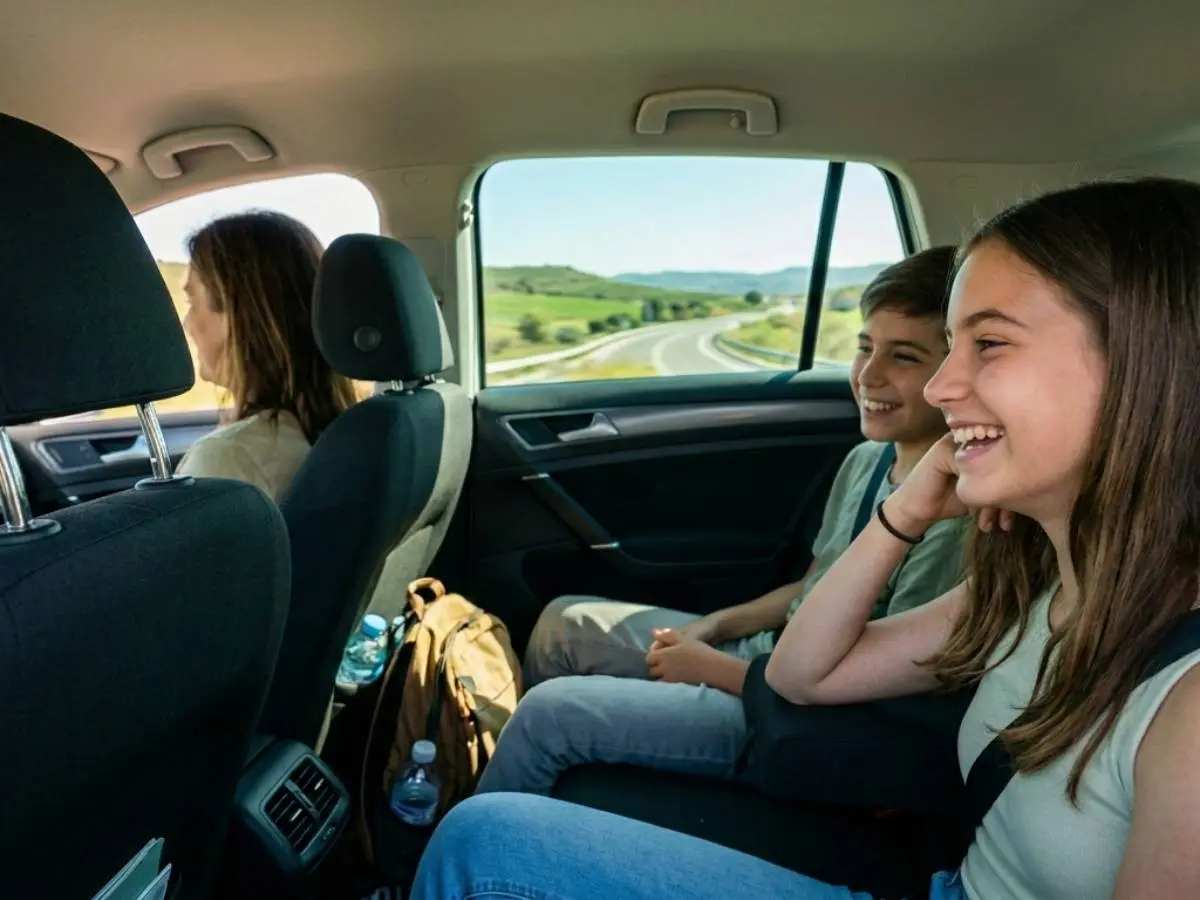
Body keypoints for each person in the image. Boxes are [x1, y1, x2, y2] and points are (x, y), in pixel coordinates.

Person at [409, 177, 1200, 900]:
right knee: (483, 836)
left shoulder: (1185, 707)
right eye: (950, 345)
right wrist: (907, 510)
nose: (939, 388)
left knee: (483, 844)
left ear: (1146, 367)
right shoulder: (1033, 590)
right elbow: (802, 674)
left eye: (987, 344)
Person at [473, 247, 969, 796]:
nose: (868, 374)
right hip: (766, 660)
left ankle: (478, 835)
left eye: (903, 357)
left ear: (956, 376)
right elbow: (813, 588)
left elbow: (880, 691)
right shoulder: (867, 459)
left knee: (548, 715)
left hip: (793, 717)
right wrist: (715, 626)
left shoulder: (953, 520)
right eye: (864, 347)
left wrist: (711, 669)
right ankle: (544, 787)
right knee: (563, 623)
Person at [175, 210, 358, 500]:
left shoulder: (230, 458)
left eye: (192, 301)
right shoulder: (346, 432)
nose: (187, 323)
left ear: (239, 316)